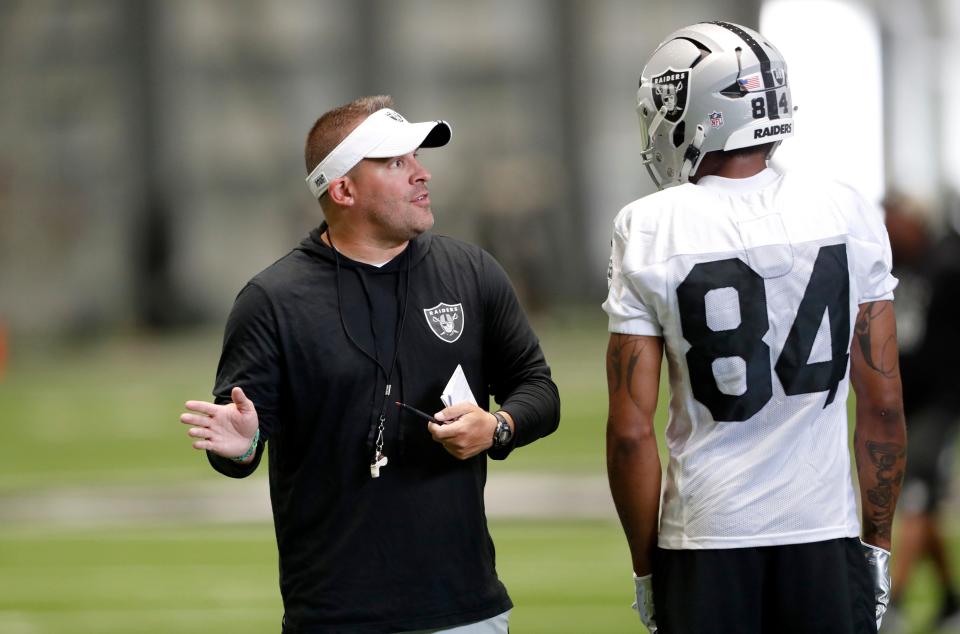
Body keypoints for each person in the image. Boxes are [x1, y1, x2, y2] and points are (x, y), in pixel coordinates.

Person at [179, 95, 560, 633]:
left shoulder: (472, 272)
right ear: (343, 189)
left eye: (417, 159)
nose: (422, 174)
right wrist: (244, 445)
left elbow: (538, 389)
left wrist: (497, 427)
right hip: (335, 617)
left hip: (465, 610)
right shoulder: (272, 300)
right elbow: (238, 448)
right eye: (396, 162)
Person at [603, 22, 906, 634]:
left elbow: (631, 433)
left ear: (703, 111)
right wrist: (874, 545)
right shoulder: (846, 209)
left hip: (706, 537)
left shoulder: (650, 226)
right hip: (826, 533)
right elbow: (883, 403)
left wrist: (646, 568)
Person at [882, 197, 960, 633]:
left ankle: (892, 602)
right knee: (922, 500)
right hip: (906, 405)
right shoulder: (898, 264)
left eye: (895, 220)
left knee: (914, 495)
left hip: (942, 403)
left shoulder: (948, 264)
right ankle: (950, 603)